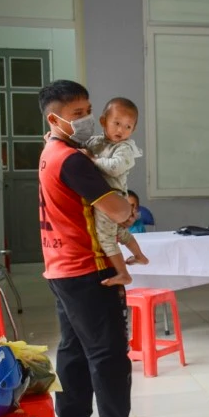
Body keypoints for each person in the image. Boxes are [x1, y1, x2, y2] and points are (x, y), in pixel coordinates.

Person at [38, 80, 161, 417]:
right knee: (108, 351)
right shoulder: (74, 160)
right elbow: (119, 210)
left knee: (73, 349)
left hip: (59, 266)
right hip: (88, 266)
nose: (88, 119)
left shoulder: (51, 149)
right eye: (78, 114)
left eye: (89, 109)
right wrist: (128, 209)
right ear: (55, 118)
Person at [83, 98, 147, 286]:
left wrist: (93, 160)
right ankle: (139, 255)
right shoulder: (97, 142)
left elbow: (114, 168)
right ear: (103, 121)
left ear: (133, 130)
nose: (121, 130)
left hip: (112, 197)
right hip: (106, 196)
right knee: (119, 232)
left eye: (128, 126)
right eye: (117, 123)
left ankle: (123, 273)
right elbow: (79, 150)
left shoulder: (125, 148)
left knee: (106, 237)